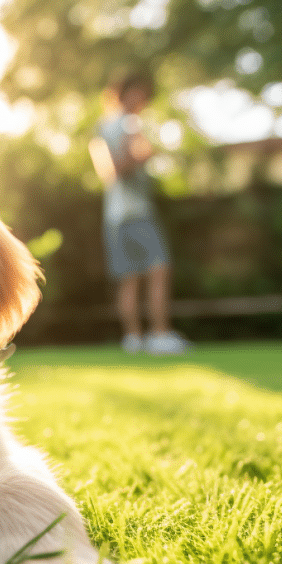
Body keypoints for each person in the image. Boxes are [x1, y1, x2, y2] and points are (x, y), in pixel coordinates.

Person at [88, 70, 189, 355]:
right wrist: (144, 154)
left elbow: (105, 171)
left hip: (114, 215)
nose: (143, 99)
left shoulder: (101, 127)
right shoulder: (131, 124)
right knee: (159, 269)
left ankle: (133, 339)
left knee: (129, 278)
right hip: (137, 212)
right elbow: (122, 166)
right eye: (140, 93)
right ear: (127, 93)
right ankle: (159, 334)